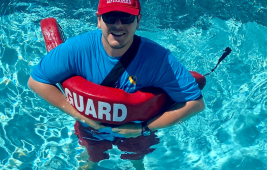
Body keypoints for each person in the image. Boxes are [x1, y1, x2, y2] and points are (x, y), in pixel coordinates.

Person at [28, 0, 205, 169]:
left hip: (137, 130)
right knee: (93, 155)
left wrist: (144, 128)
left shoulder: (160, 60)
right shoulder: (77, 50)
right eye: (110, 17)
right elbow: (36, 81)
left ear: (138, 21)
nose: (118, 25)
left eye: (127, 17)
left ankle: (137, 166)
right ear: (99, 20)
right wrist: (80, 116)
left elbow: (195, 103)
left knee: (136, 156)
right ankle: (90, 164)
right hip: (90, 126)